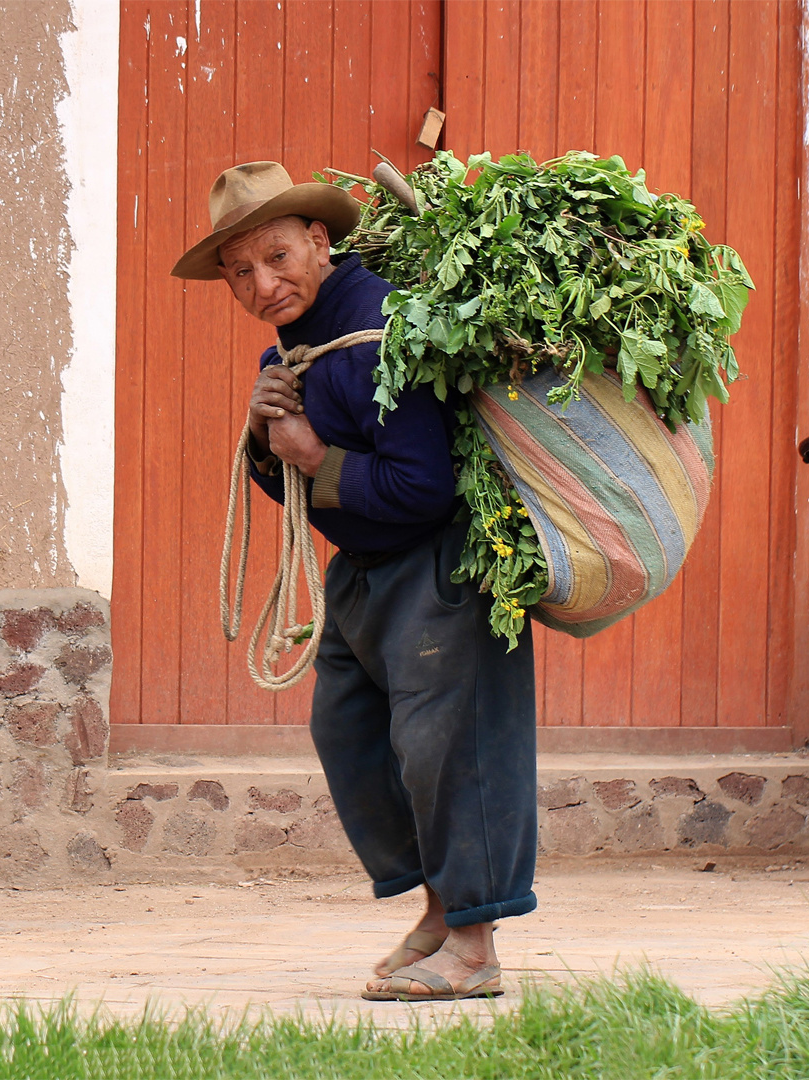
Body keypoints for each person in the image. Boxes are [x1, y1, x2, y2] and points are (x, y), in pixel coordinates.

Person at [171, 161, 538, 1001]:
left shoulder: (381, 330)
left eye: (277, 257)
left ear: (319, 239)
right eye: (239, 273)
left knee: (452, 749)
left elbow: (425, 486)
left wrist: (310, 453)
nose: (262, 284)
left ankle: (475, 947)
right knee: (351, 732)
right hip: (363, 574)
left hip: (441, 566)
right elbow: (293, 479)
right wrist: (268, 440)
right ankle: (443, 909)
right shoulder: (296, 349)